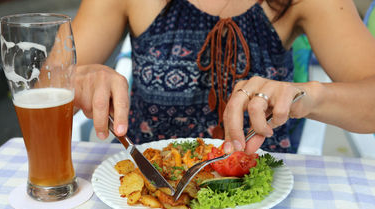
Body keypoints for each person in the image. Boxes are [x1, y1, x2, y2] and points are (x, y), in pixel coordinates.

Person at [71, 0, 375, 155]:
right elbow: (42, 86)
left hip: (259, 199)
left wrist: (311, 94)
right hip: (143, 192)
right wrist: (79, 78)